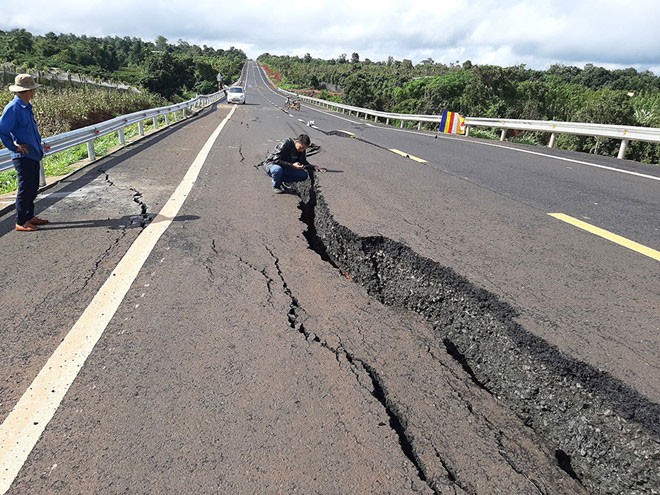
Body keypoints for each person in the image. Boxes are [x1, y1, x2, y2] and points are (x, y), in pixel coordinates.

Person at [0, 74, 48, 231]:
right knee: (25, 188)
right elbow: (3, 130)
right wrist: (14, 147)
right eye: (33, 89)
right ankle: (21, 221)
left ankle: (29, 216)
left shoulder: (26, 107)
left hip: (32, 153)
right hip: (22, 156)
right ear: (28, 91)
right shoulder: (13, 108)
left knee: (33, 186)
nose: (34, 92)